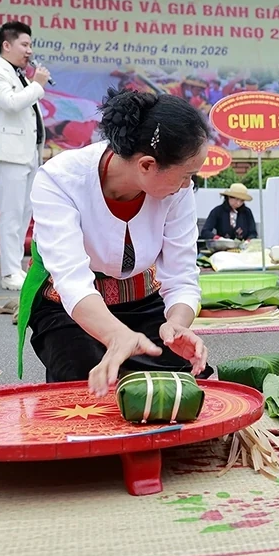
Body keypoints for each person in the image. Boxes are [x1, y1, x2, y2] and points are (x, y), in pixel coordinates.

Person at [19, 90, 210, 394]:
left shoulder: (178, 190)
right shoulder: (60, 179)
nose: (188, 184)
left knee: (186, 387)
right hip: (68, 309)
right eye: (187, 175)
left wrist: (176, 323)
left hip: (141, 302)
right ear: (146, 165)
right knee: (85, 387)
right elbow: (72, 281)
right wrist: (115, 335)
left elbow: (182, 275)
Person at [0, 21, 50, 291]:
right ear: (6, 45)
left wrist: (33, 84)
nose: (29, 51)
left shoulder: (20, 75)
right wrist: (37, 84)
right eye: (24, 44)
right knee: (10, 214)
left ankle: (16, 266)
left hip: (29, 153)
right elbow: (11, 104)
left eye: (30, 45)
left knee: (24, 212)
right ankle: (9, 272)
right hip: (9, 153)